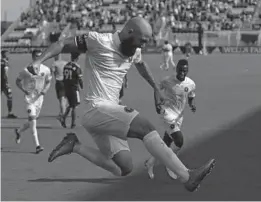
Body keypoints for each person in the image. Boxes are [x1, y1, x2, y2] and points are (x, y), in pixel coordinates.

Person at [29, 17, 215, 192]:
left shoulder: (135, 51)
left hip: (106, 116)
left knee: (124, 167)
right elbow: (62, 44)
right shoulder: (99, 40)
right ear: (129, 32)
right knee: (145, 126)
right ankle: (186, 176)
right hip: (96, 108)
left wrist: (155, 88)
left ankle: (75, 146)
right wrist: (38, 61)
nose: (143, 45)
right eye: (141, 40)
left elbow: (141, 65)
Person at [145, 59, 197, 180]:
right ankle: (171, 165)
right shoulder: (168, 80)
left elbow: (191, 97)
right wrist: (157, 103)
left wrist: (192, 105)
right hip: (167, 113)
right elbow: (156, 88)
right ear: (176, 69)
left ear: (187, 70)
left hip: (179, 116)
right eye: (180, 70)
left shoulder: (191, 84)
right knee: (179, 141)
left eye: (184, 70)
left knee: (166, 143)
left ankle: (150, 163)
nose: (182, 73)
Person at [15, 50, 52, 154]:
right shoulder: (26, 70)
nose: (38, 58)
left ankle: (18, 131)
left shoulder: (46, 69)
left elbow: (49, 81)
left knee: (32, 121)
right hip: (29, 100)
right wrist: (23, 89)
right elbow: (17, 81)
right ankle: (37, 146)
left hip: (39, 100)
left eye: (40, 56)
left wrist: (45, 90)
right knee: (33, 122)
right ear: (32, 57)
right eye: (36, 56)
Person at [59, 52, 83, 128]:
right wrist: (82, 86)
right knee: (74, 106)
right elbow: (79, 78)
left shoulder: (66, 66)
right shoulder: (77, 67)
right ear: (77, 58)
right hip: (74, 88)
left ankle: (63, 118)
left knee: (70, 105)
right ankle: (73, 123)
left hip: (66, 87)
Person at [1, 50, 17, 118]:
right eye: (7, 54)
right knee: (9, 96)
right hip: (3, 82)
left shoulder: (3, 62)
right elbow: (5, 73)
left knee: (9, 96)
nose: (9, 55)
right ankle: (9, 113)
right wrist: (6, 82)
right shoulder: (4, 63)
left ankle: (10, 113)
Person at [51, 54, 68, 118]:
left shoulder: (55, 63)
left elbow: (51, 72)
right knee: (65, 98)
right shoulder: (66, 63)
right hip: (66, 82)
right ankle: (63, 111)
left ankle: (63, 114)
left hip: (59, 81)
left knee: (61, 99)